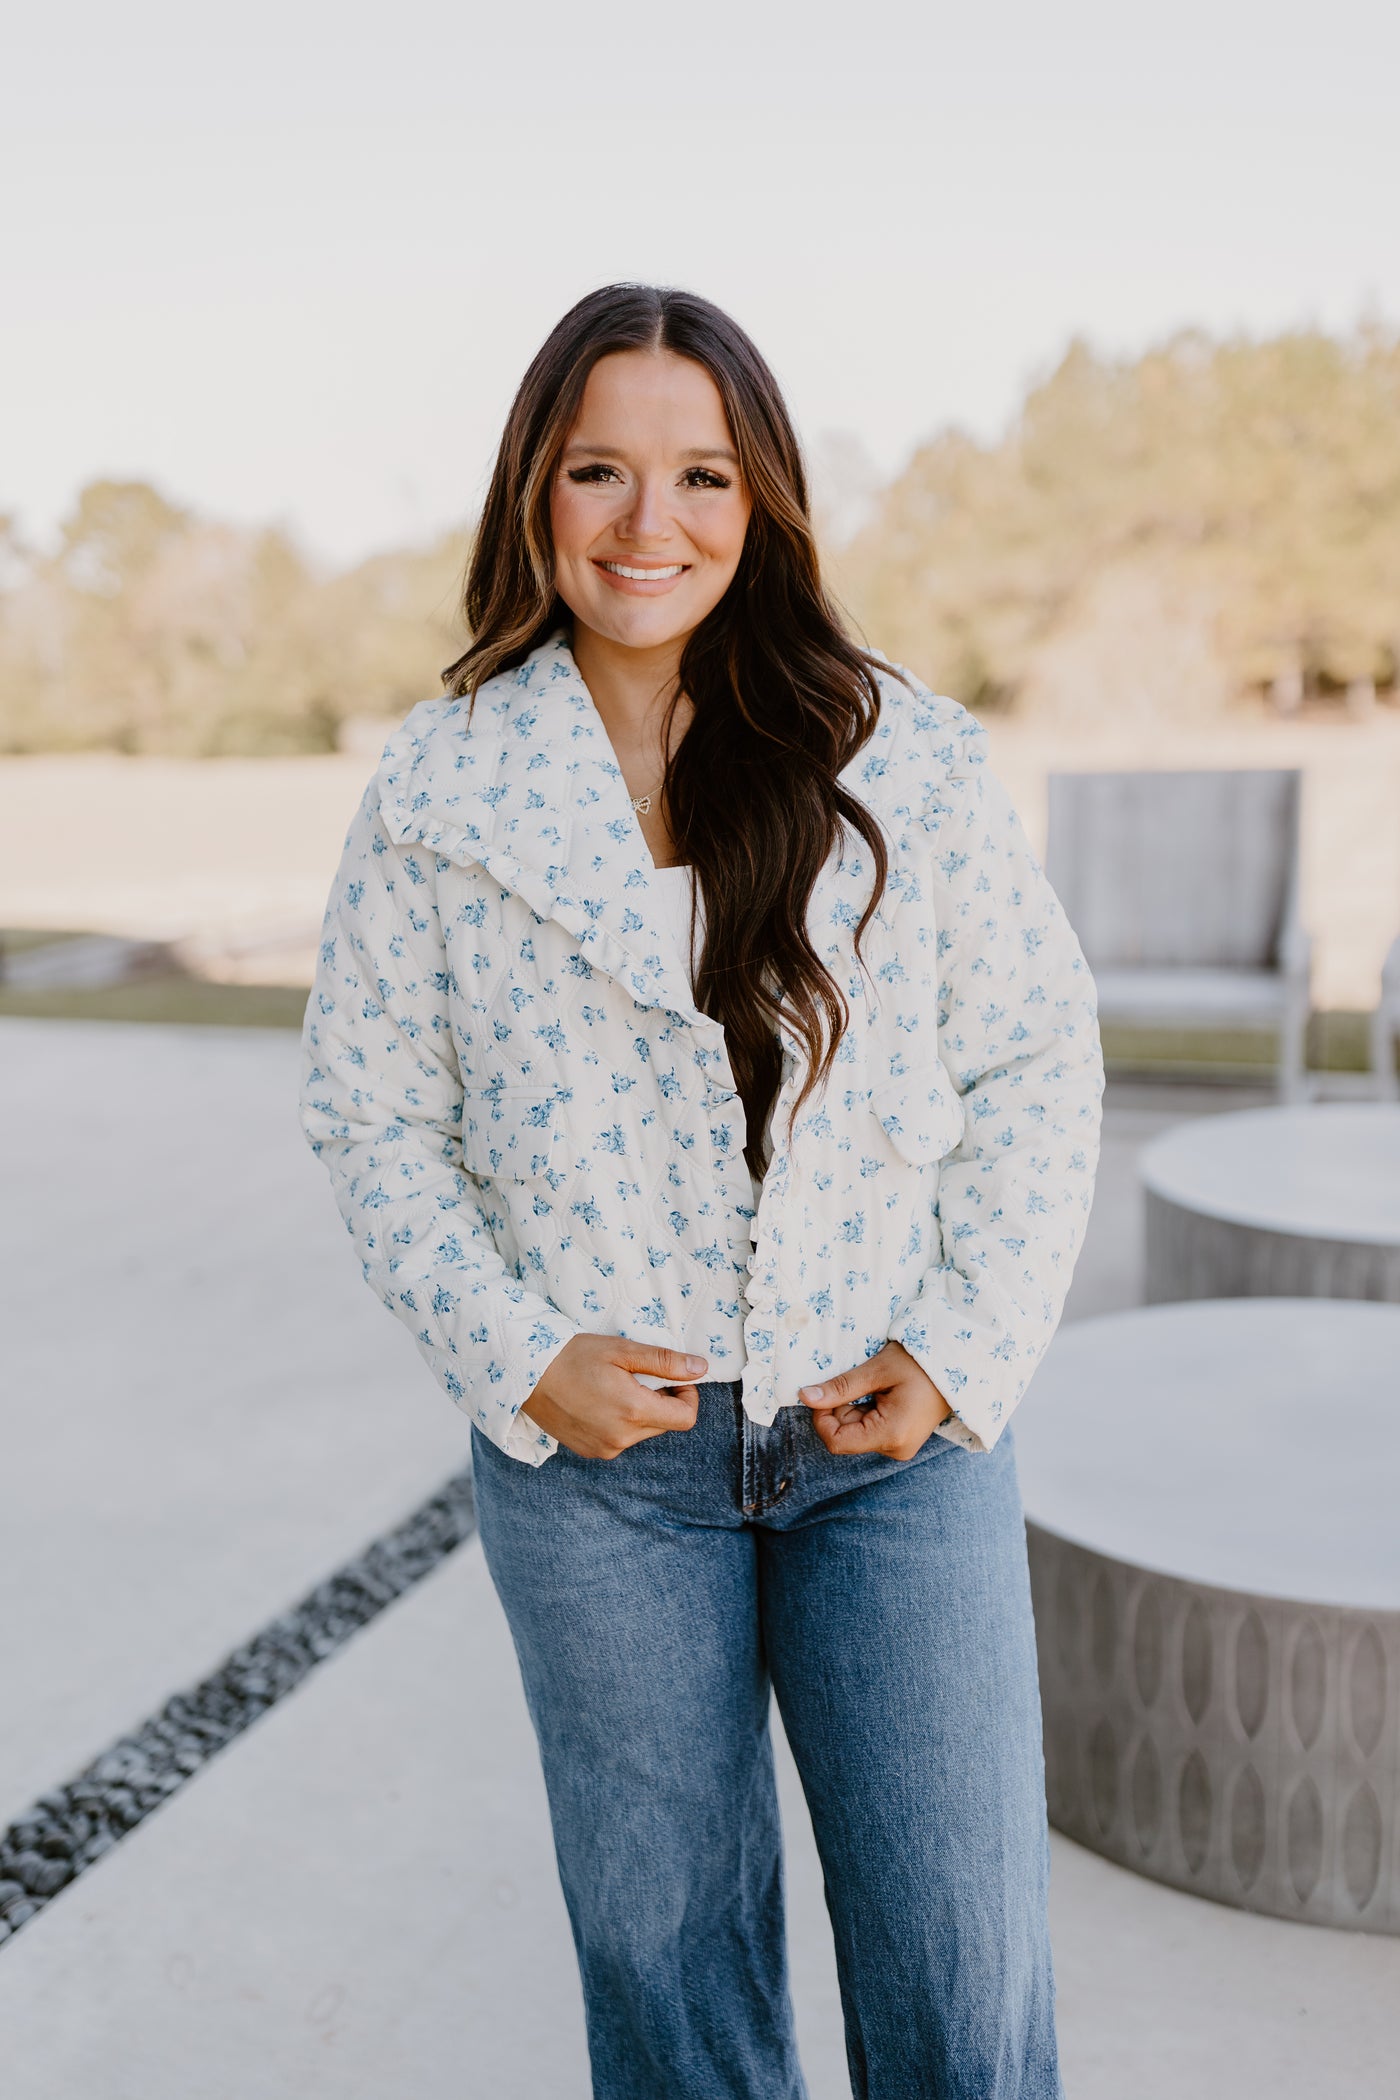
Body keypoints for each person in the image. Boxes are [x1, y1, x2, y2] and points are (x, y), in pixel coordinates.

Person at [300, 283, 1103, 2100]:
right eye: (599, 469)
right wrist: (519, 1355)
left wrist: (967, 1342)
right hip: (605, 1482)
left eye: (701, 476)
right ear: (535, 491)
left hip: (889, 1447)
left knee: (964, 1983)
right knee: (669, 1981)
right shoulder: (437, 791)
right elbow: (370, 1119)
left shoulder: (906, 752)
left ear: (764, 506)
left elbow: (1040, 1060)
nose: (646, 523)